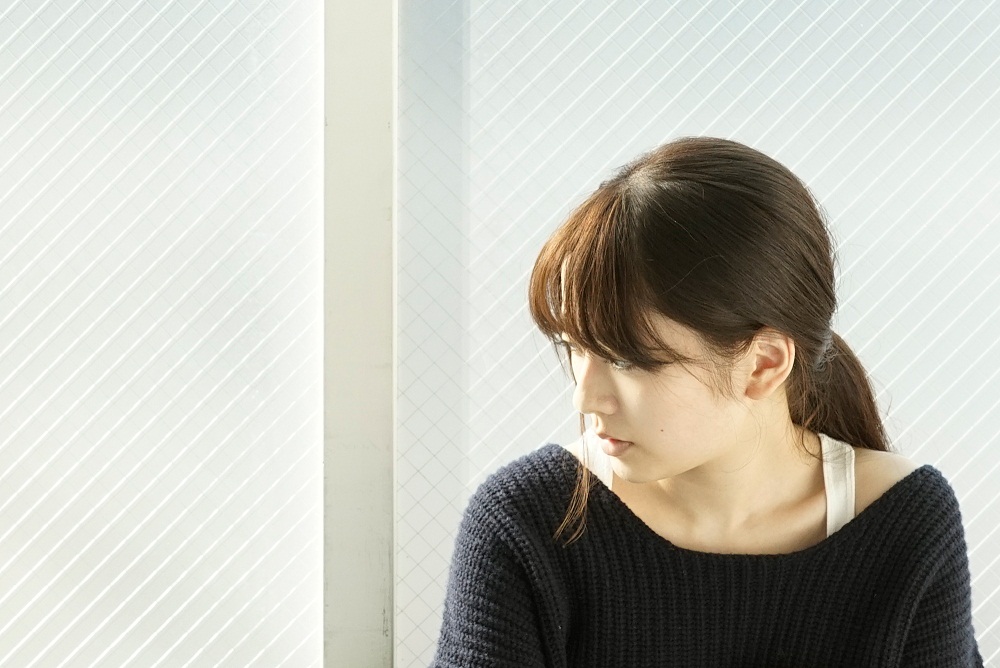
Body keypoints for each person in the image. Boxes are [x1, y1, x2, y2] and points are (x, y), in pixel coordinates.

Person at [430, 136, 983, 666]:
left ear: (764, 364)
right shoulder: (528, 523)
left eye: (628, 360)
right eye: (575, 349)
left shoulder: (903, 521)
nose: (585, 396)